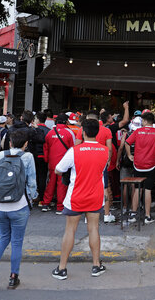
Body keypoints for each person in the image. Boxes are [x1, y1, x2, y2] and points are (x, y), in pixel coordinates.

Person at [51, 119, 109, 280]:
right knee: (94, 229)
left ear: (83, 131)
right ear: (97, 132)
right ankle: (96, 265)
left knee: (70, 230)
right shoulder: (105, 151)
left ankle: (62, 268)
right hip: (95, 196)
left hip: (76, 196)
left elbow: (58, 170)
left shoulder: (74, 151)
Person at [0, 130, 37, 289]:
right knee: (16, 242)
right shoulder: (28, 157)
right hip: (19, 206)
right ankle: (13, 277)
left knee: (3, 238)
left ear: (10, 142)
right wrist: (33, 198)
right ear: (26, 144)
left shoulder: (0, 156)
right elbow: (32, 183)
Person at [125, 112, 155, 224]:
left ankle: (133, 215)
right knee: (148, 190)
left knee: (138, 189)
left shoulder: (137, 131)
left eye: (142, 121)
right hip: (152, 165)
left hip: (138, 164)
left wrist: (129, 155)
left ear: (145, 121)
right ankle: (147, 216)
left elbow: (127, 143)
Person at [75, 111, 114, 223]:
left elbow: (76, 146)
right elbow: (109, 148)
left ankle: (88, 215)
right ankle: (106, 214)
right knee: (104, 188)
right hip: (101, 162)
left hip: (85, 162)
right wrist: (108, 160)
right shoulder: (106, 130)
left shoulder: (82, 130)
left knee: (88, 187)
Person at [41, 114, 75, 214]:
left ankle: (45, 203)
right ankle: (60, 207)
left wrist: (47, 160)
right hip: (64, 162)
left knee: (50, 182)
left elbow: (46, 148)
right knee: (62, 184)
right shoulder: (69, 132)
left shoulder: (50, 133)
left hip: (52, 162)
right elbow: (73, 148)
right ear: (66, 121)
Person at [34, 112, 51, 204]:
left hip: (34, 156)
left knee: (33, 175)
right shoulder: (48, 130)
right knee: (43, 176)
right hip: (44, 156)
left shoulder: (33, 129)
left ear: (37, 119)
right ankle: (42, 196)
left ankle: (34, 196)